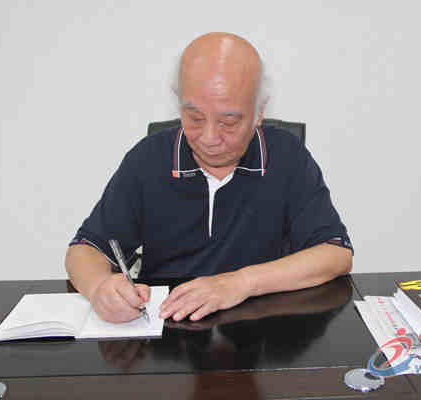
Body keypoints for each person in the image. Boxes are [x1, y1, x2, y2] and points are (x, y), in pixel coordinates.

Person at [65, 32, 353, 324]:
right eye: (195, 118)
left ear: (259, 112)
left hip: (263, 331)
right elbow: (85, 250)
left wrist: (241, 283)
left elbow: (335, 254)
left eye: (229, 122)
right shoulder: (148, 159)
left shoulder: (287, 157)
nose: (209, 138)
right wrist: (100, 288)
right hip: (168, 331)